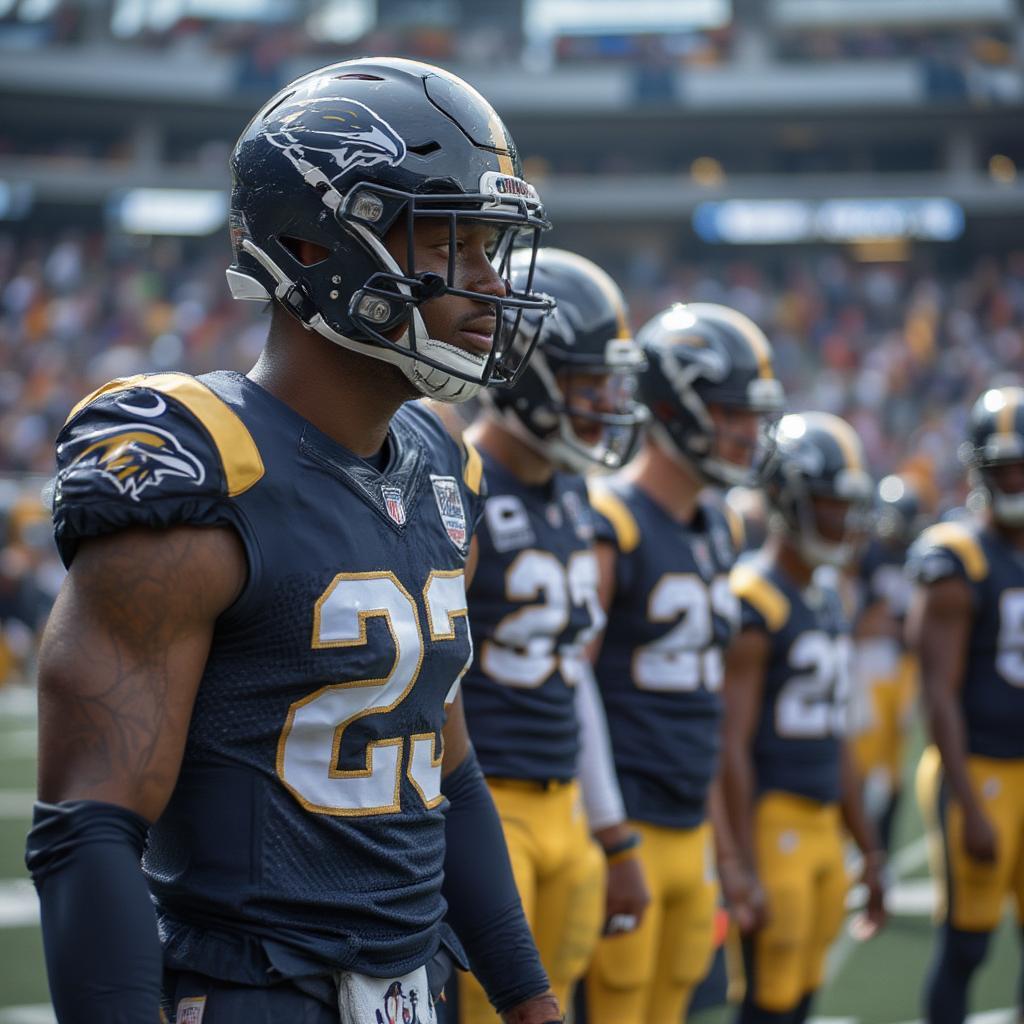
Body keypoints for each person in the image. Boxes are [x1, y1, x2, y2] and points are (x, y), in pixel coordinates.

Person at [25, 57, 566, 1024]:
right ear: (318, 248)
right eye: (458, 243)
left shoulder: (445, 469)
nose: (491, 284)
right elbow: (88, 826)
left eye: (496, 247)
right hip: (252, 993)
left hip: (419, 987)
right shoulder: (206, 464)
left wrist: (523, 990)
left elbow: (446, 766)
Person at [455, 248, 649, 1024]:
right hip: (484, 801)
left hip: (566, 803)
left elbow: (573, 673)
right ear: (527, 374)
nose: (605, 401)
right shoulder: (457, 479)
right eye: (586, 381)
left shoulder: (575, 497)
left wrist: (612, 830)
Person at [582, 302, 784, 1024]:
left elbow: (706, 708)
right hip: (622, 821)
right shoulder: (612, 520)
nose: (750, 433)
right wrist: (605, 835)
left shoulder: (723, 525)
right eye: (734, 412)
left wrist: (727, 852)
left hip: (688, 824)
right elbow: (572, 688)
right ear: (674, 406)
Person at [723, 412, 886, 1024]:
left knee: (806, 992)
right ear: (788, 501)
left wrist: (868, 846)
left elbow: (834, 731)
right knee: (768, 1001)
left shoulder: (828, 593)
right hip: (774, 819)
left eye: (846, 505)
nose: (842, 519)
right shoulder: (753, 599)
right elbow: (731, 744)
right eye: (826, 503)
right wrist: (738, 858)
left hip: (824, 827)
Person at [907, 386, 1024, 1024]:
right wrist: (969, 803)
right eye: (1006, 464)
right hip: (979, 770)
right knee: (969, 944)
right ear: (980, 467)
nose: (1017, 479)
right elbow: (938, 692)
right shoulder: (957, 557)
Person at [848, 474, 924, 855]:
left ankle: (881, 853)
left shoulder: (917, 554)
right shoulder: (866, 555)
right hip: (871, 666)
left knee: (892, 772)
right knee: (863, 768)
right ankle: (858, 847)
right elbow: (859, 623)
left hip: (902, 670)